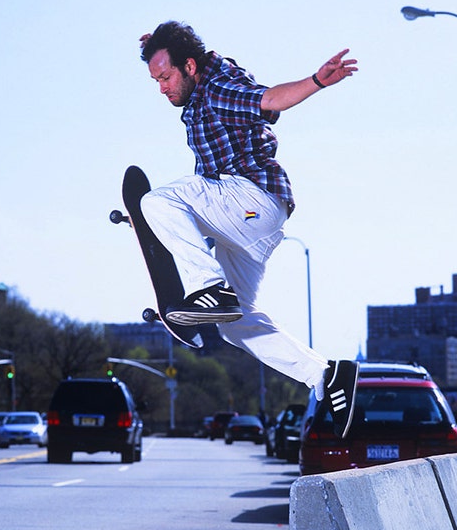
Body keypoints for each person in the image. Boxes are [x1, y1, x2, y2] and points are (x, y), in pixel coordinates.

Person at [138, 21, 358, 436]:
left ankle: (209, 287)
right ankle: (326, 375)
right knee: (236, 325)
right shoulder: (205, 75)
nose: (162, 88)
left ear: (188, 66)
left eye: (165, 77)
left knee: (158, 201)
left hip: (250, 197)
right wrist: (157, 43)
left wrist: (316, 81)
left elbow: (270, 99)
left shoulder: (218, 90)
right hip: (251, 224)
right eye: (155, 80)